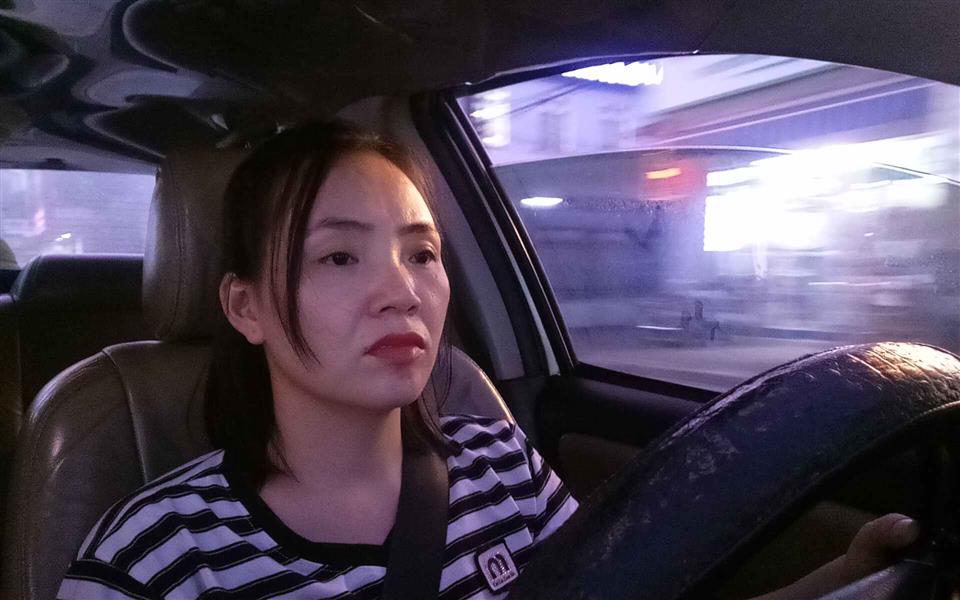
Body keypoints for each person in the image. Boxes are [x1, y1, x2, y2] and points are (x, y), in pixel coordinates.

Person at [57, 121, 919, 599]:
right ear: (245, 307)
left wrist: (845, 579)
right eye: (339, 256)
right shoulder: (158, 554)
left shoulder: (502, 465)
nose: (401, 291)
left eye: (421, 253)